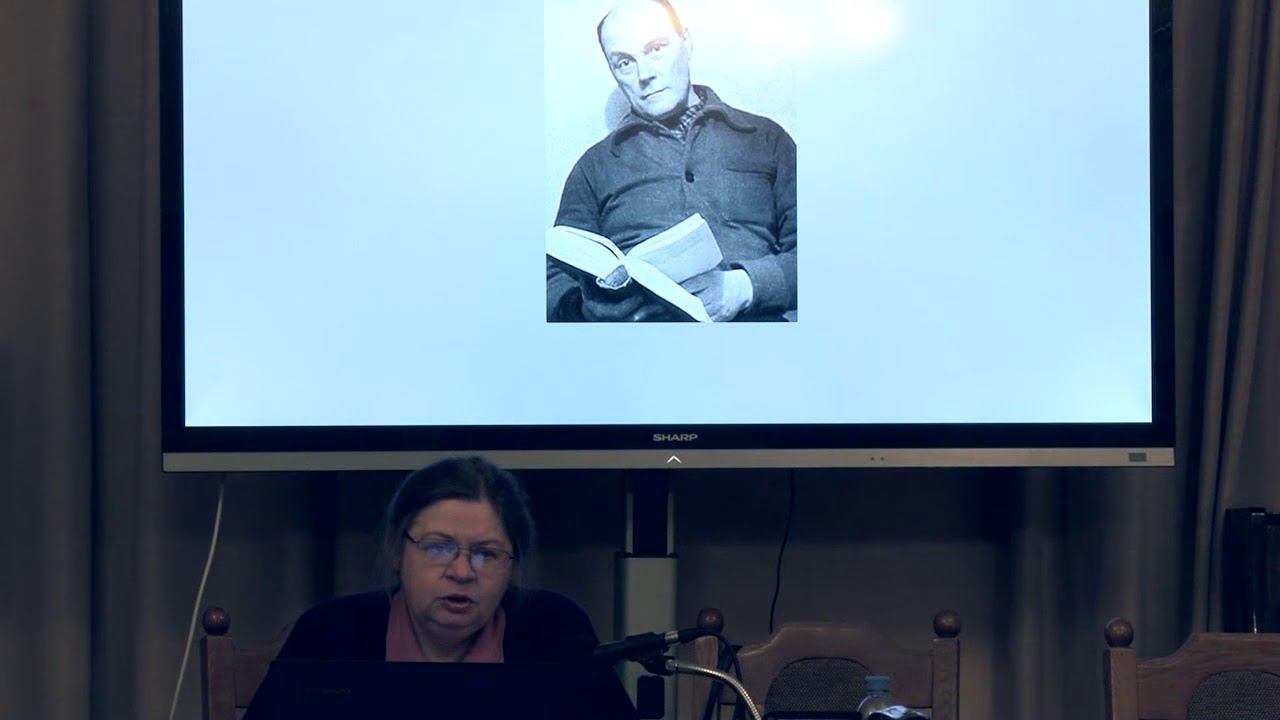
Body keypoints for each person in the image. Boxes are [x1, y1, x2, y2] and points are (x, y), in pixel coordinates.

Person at [245, 457, 637, 718]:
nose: (462, 572)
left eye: (486, 554)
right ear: (397, 550)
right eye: (438, 547)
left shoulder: (554, 630)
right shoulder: (329, 633)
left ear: (512, 565)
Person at [547, 0, 797, 323]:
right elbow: (552, 277)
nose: (645, 75)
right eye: (624, 62)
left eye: (656, 49)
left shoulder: (767, 139)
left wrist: (745, 287)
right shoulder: (593, 166)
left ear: (687, 43)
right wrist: (584, 309)